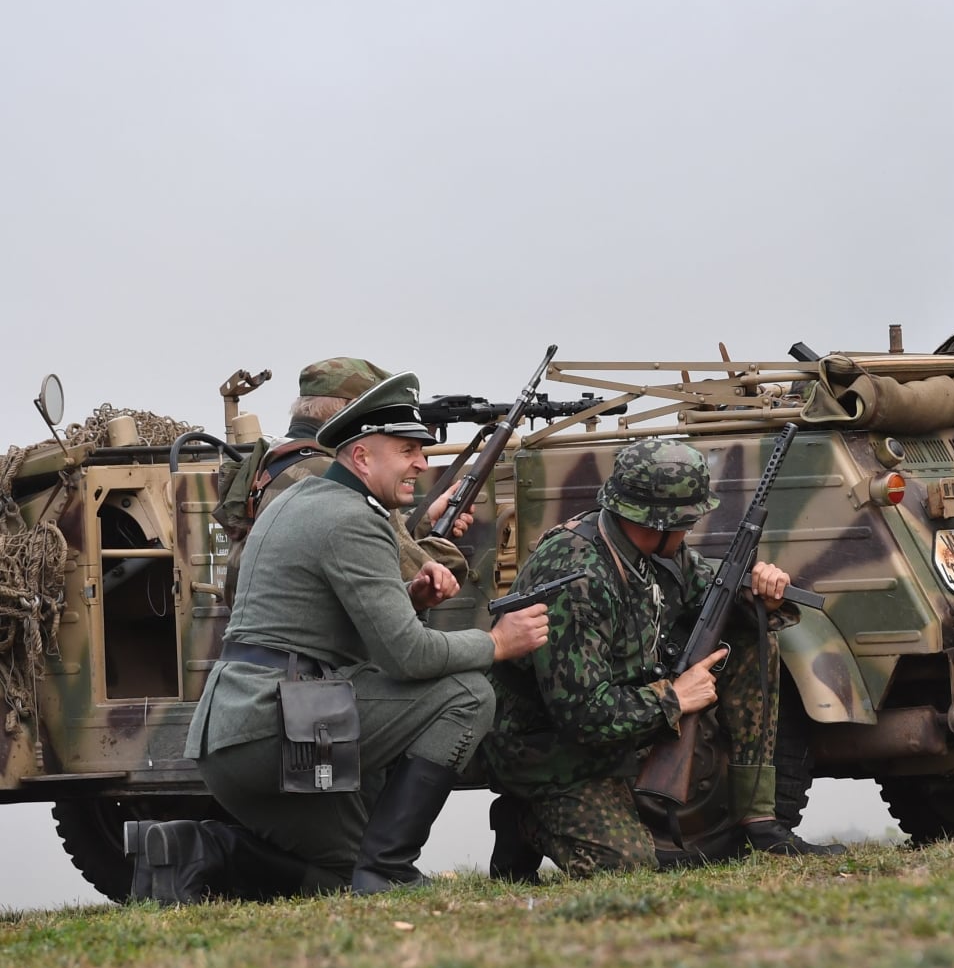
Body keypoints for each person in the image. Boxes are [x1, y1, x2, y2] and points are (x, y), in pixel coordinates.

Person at [133, 372, 550, 903]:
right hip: (277, 726)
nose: (422, 463)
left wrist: (408, 596)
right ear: (360, 457)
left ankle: (196, 849)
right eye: (407, 450)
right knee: (467, 693)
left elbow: (310, 620)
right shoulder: (353, 520)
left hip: (236, 733)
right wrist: (497, 643)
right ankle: (392, 868)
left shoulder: (300, 498)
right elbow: (408, 657)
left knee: (342, 873)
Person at [481, 438, 844, 878]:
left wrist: (759, 589)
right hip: (552, 752)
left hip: (623, 729)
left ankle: (760, 821)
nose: (691, 530)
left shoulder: (654, 553)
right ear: (661, 521)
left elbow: (707, 592)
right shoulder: (577, 576)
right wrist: (673, 699)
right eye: (688, 521)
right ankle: (523, 821)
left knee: (749, 633)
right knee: (623, 864)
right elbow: (580, 714)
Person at [219, 356, 467, 606]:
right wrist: (445, 550)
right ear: (352, 412)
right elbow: (414, 576)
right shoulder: (337, 478)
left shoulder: (277, 459)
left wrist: (423, 521)